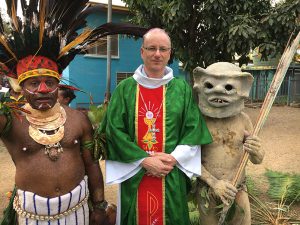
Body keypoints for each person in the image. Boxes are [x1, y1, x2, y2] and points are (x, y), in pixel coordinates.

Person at [0, 1, 147, 224]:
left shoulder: (79, 119)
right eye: (34, 84)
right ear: (21, 87)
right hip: (32, 215)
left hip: (77, 211)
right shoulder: (10, 119)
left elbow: (91, 164)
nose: (42, 90)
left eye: (49, 82)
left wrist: (99, 205)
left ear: (58, 85)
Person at [102, 28, 212, 225]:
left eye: (163, 49)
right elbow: (113, 131)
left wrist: (172, 158)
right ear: (142, 52)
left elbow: (193, 130)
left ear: (170, 53)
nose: (157, 54)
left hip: (170, 172)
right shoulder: (125, 89)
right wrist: (143, 160)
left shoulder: (181, 89)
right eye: (151, 48)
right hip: (136, 173)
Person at [193, 62, 264, 224]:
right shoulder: (198, 120)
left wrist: (256, 150)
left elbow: (257, 160)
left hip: (238, 190)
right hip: (208, 190)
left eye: (228, 87)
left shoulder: (243, 120)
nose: (218, 91)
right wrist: (214, 183)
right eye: (210, 85)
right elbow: (189, 159)